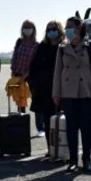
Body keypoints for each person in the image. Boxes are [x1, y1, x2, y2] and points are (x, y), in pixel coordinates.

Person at [52, 16, 91, 172]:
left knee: (86, 126)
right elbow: (57, 72)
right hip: (68, 92)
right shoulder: (62, 48)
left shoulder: (90, 46)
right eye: (66, 27)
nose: (67, 30)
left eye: (70, 27)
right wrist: (56, 93)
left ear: (79, 28)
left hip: (86, 91)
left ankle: (86, 159)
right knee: (71, 127)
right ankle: (73, 160)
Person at [28, 21, 64, 154]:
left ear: (59, 30)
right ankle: (51, 148)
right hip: (44, 90)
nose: (51, 32)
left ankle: (62, 148)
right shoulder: (42, 47)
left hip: (61, 89)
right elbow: (34, 66)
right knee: (49, 122)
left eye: (54, 29)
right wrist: (33, 84)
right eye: (49, 29)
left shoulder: (64, 46)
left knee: (62, 121)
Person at [10, 20, 38, 119]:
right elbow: (14, 57)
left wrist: (25, 76)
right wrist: (13, 71)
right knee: (20, 99)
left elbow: (35, 63)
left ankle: (39, 125)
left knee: (35, 99)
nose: (27, 30)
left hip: (30, 76)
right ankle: (22, 120)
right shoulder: (19, 42)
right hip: (17, 73)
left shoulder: (36, 45)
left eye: (29, 27)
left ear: (33, 30)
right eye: (25, 27)